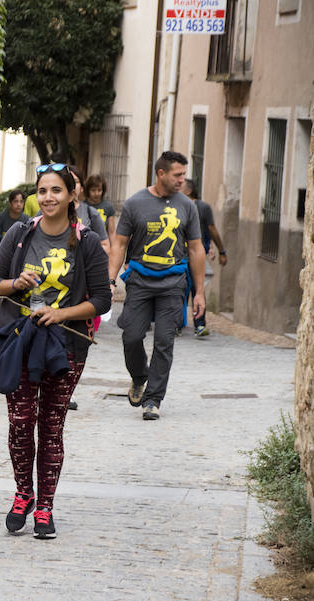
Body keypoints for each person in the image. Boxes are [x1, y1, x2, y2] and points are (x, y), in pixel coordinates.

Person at [0, 162, 111, 539]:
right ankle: (23, 494)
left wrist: (61, 313)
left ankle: (46, 508)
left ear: (72, 195)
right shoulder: (21, 233)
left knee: (51, 426)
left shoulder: (86, 241)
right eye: (42, 191)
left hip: (66, 345)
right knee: (21, 423)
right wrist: (15, 283)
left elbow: (102, 300)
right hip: (21, 341)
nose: (48, 197)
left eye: (56, 190)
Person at [107, 151, 206, 421]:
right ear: (161, 173)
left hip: (173, 284)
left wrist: (199, 292)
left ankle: (153, 399)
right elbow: (119, 243)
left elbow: (196, 249)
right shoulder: (135, 203)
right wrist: (110, 279)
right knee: (131, 336)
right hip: (139, 281)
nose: (182, 180)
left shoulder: (187, 206)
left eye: (184, 175)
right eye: (177, 175)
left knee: (164, 342)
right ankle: (140, 377)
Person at [183, 178, 227, 337]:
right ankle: (175, 324)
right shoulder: (176, 206)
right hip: (178, 255)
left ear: (188, 191)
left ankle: (199, 325)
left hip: (197, 256)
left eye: (180, 185)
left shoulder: (202, 207)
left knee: (197, 290)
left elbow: (212, 230)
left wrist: (221, 251)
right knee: (178, 290)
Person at [85, 173, 116, 241]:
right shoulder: (83, 206)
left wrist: (112, 249)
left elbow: (112, 232)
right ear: (88, 190)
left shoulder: (108, 206)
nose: (96, 193)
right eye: (93, 190)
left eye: (99, 190)